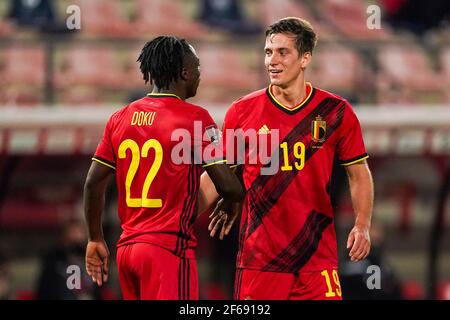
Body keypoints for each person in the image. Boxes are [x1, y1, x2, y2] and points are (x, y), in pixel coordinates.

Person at [200, 17, 374, 300]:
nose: (272, 60)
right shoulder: (242, 111)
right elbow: (217, 176)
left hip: (317, 260)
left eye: (283, 52)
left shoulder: (335, 111)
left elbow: (358, 172)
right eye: (268, 52)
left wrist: (362, 224)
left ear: (305, 58)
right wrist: (176, 223)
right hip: (260, 262)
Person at [83, 36, 245, 300]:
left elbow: (93, 183)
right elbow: (228, 186)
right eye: (198, 68)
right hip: (167, 250)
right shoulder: (195, 118)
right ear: (184, 73)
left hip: (128, 251)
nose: (200, 75)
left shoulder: (120, 118)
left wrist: (94, 238)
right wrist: (233, 197)